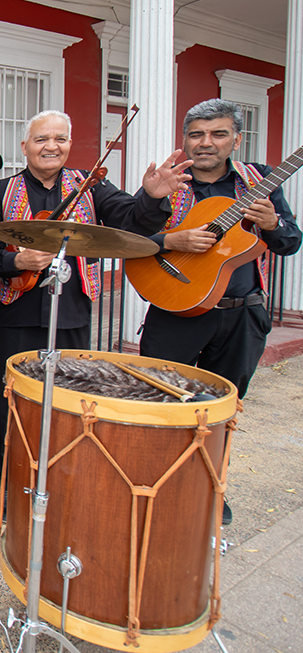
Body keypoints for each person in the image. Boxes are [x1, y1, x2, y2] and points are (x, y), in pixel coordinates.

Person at [0, 110, 193, 515]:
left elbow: (131, 223)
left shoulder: (91, 186)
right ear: (25, 146)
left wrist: (151, 196)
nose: (51, 146)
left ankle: (59, 478)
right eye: (42, 139)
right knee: (9, 401)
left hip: (72, 313)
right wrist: (16, 262)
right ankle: (5, 480)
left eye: (60, 139)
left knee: (68, 400)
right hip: (16, 313)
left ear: (69, 144)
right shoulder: (2, 192)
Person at [139, 99, 301, 524]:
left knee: (221, 407)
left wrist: (272, 225)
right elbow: (129, 238)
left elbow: (290, 241)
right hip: (174, 310)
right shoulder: (169, 180)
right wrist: (169, 240)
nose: (206, 142)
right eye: (196, 134)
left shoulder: (259, 182)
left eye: (218, 134)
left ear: (237, 139)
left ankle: (208, 487)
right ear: (185, 139)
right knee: (158, 401)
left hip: (240, 315)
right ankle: (155, 484)